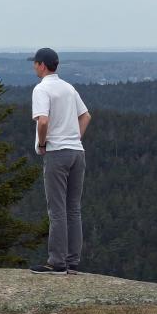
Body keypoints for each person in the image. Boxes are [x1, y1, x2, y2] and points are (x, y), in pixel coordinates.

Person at [28, 47, 92, 276]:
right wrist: (75, 137)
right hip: (77, 151)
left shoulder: (41, 89)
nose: (34, 66)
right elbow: (86, 116)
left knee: (56, 210)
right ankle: (72, 261)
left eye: (35, 63)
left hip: (57, 152)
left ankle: (56, 262)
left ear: (42, 65)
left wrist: (43, 144)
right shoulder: (68, 87)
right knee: (73, 208)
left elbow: (42, 121)